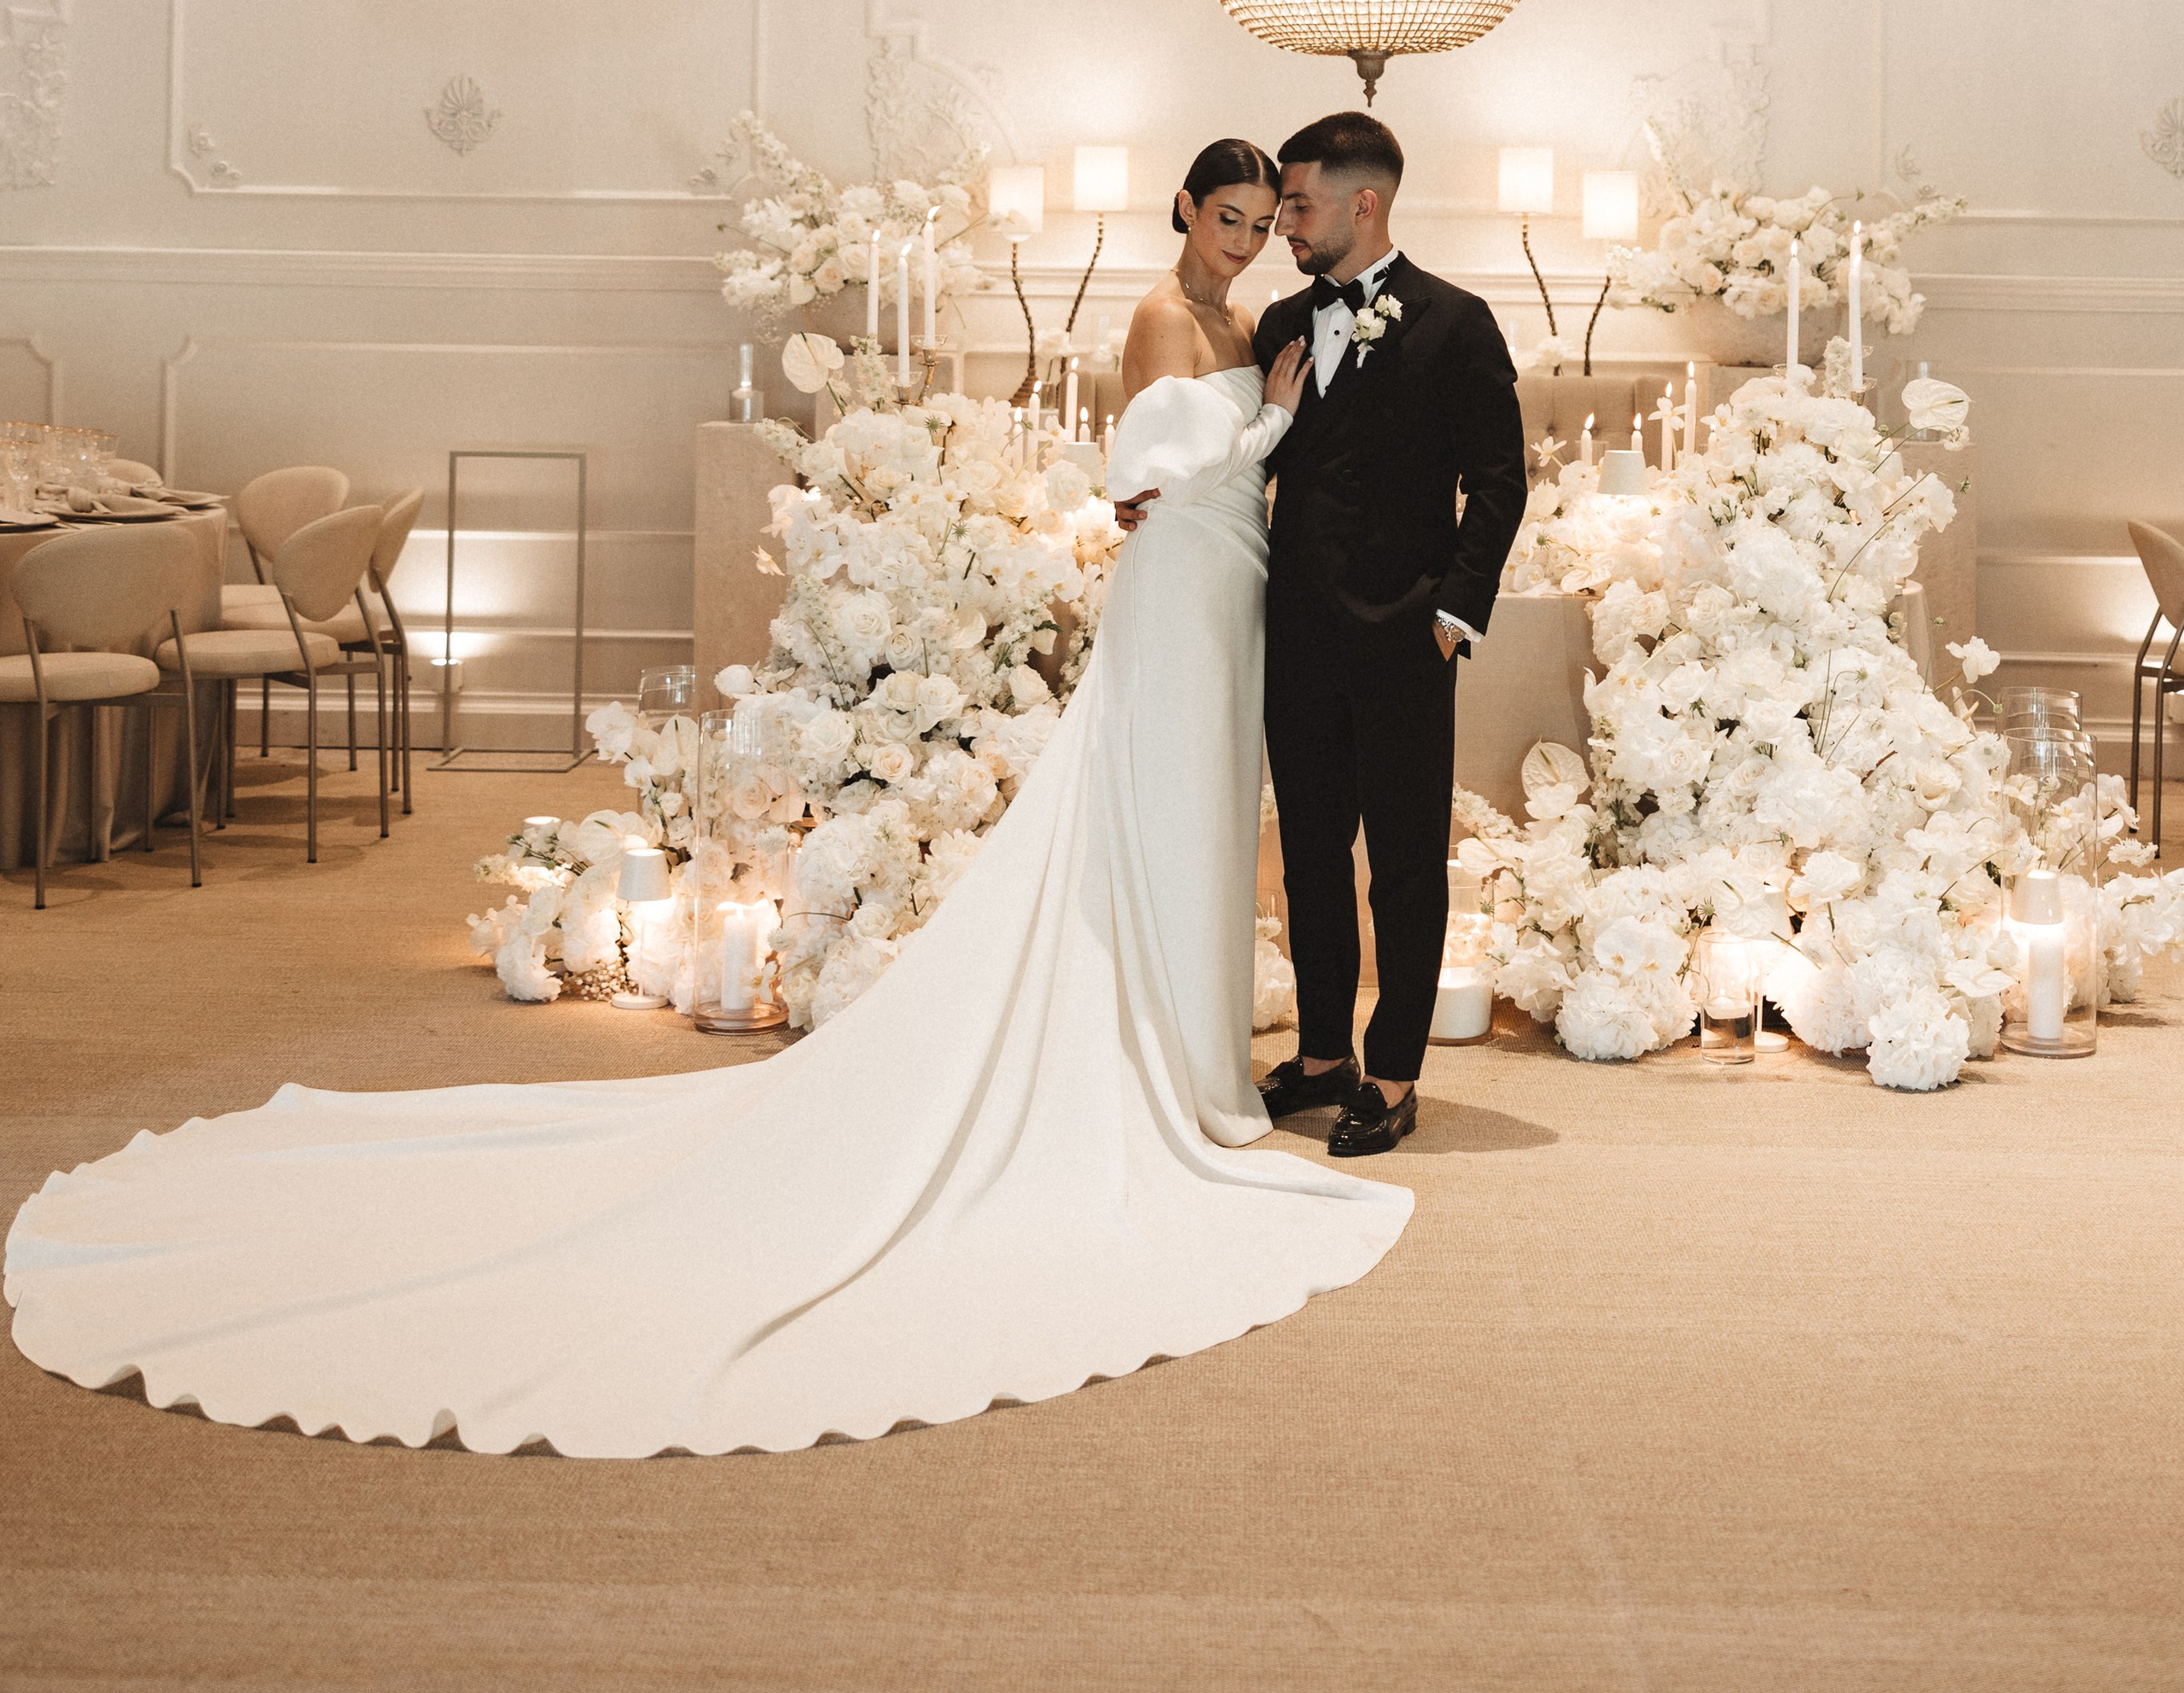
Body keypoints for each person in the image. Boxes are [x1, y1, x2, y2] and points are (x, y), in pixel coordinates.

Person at [3, 140, 1408, 1461]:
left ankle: (1187, 1048)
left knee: (1208, 814)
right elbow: (1137, 477)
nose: (1242, 240)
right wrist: (1270, 421)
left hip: (1235, 590)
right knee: (1158, 802)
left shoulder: (1247, 318)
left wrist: (1279, 413)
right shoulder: (1170, 320)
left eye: (1260, 220)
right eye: (1226, 218)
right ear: (1183, 215)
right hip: (1179, 594)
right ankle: (1157, 1068)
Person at [1247, 110, 1527, 1159]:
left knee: (1405, 863)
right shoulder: (1277, 320)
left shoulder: (1456, 322)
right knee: (1311, 855)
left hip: (1407, 639)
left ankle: (1395, 1072)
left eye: (1300, 205)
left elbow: (1498, 484)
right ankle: (1323, 1057)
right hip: (1295, 636)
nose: (1284, 225)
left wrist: (1453, 613)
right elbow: (1248, 462)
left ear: (1363, 204)